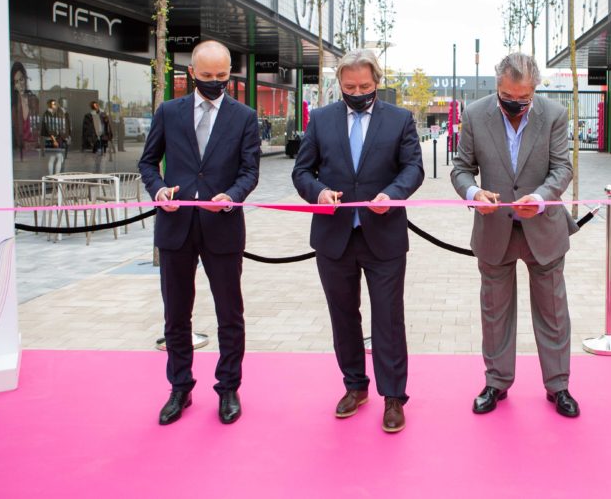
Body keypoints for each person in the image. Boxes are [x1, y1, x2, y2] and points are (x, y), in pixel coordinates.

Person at [292, 49, 424, 434]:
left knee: (388, 317)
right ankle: (355, 386)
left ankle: (394, 396)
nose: (357, 92)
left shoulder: (399, 120)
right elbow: (302, 171)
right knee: (343, 316)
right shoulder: (320, 120)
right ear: (340, 86)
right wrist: (316, 193)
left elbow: (413, 168)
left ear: (377, 82)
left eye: (365, 86)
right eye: (349, 87)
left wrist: (392, 193)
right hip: (334, 237)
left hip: (383, 236)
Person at [450, 52, 580, 419]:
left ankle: (559, 386)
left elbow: (562, 168)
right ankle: (496, 382)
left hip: (543, 229)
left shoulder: (554, 114)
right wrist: (474, 194)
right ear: (497, 87)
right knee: (494, 312)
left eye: (523, 100)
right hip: (494, 229)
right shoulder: (475, 114)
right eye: (508, 98)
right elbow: (461, 169)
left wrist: (540, 198)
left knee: (553, 312)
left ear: (535, 90)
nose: (515, 106)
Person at [138, 40, 261, 426]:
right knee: (176, 314)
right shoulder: (169, 112)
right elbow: (147, 162)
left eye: (222, 76)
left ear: (230, 74)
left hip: (222, 227)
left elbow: (250, 171)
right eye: (207, 76)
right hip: (175, 228)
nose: (214, 83)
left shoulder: (244, 117)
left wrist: (231, 197)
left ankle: (228, 388)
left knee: (230, 313)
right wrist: (158, 190)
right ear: (191, 73)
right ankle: (180, 387)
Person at [10, 61, 39, 160]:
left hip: (35, 151)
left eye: (21, 79)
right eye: (16, 82)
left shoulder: (34, 100)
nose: (20, 84)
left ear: (25, 80)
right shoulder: (12, 106)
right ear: (13, 85)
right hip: (19, 154)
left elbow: (38, 125)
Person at [41, 98, 70, 175]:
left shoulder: (56, 113)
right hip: (52, 139)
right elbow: (49, 129)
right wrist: (54, 140)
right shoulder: (47, 114)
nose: (55, 105)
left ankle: (53, 176)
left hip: (56, 139)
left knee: (54, 158)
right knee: (57, 157)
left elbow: (59, 127)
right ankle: (55, 176)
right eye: (53, 104)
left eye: (55, 104)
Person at [82, 100, 113, 172]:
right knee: (93, 164)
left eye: (97, 105)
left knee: (102, 163)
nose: (96, 106)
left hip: (102, 142)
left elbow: (107, 127)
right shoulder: (89, 116)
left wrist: (108, 137)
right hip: (93, 143)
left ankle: (100, 180)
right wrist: (90, 142)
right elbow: (87, 131)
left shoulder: (103, 115)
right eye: (94, 105)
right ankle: (95, 180)